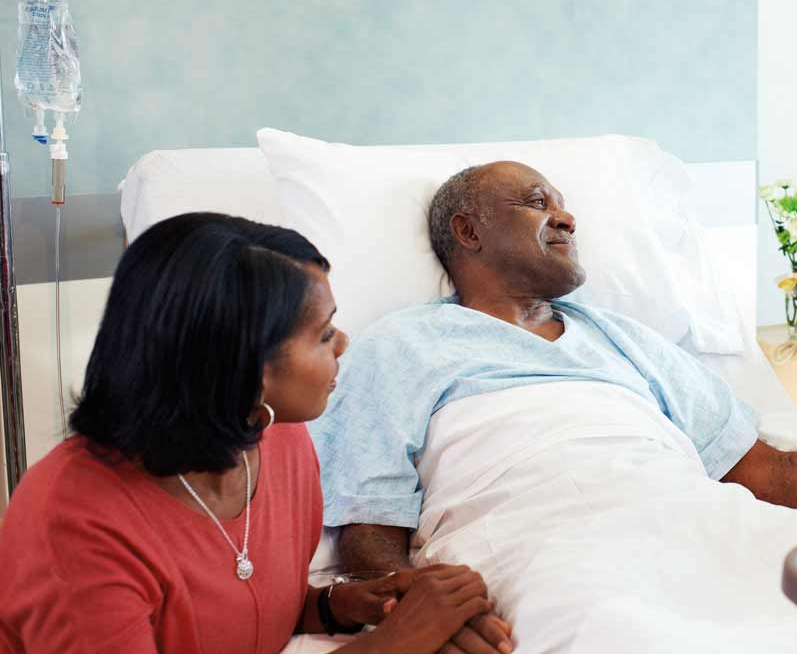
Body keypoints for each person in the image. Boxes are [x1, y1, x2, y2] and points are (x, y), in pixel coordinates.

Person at [314, 161, 797, 580]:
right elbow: (371, 526)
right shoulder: (403, 345)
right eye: (537, 202)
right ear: (467, 234)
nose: (568, 216)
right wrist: (410, 603)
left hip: (692, 521)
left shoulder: (626, 340)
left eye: (562, 203)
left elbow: (763, 470)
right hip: (541, 549)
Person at [0, 213, 512, 654]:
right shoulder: (74, 526)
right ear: (242, 365)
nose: (344, 344)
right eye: (323, 333)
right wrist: (397, 640)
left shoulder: (277, 442)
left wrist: (344, 605)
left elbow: (237, 618)